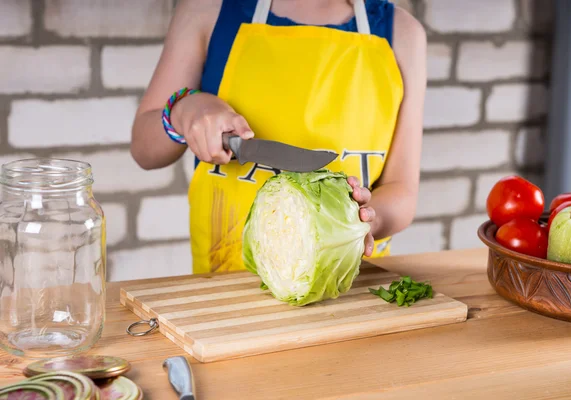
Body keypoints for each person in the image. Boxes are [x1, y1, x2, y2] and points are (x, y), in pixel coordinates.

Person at [131, 0, 427, 274]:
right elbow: (145, 150)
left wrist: (367, 220)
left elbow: (402, 190)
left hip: (350, 282)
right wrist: (184, 110)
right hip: (225, 288)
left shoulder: (403, 34)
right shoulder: (207, 9)